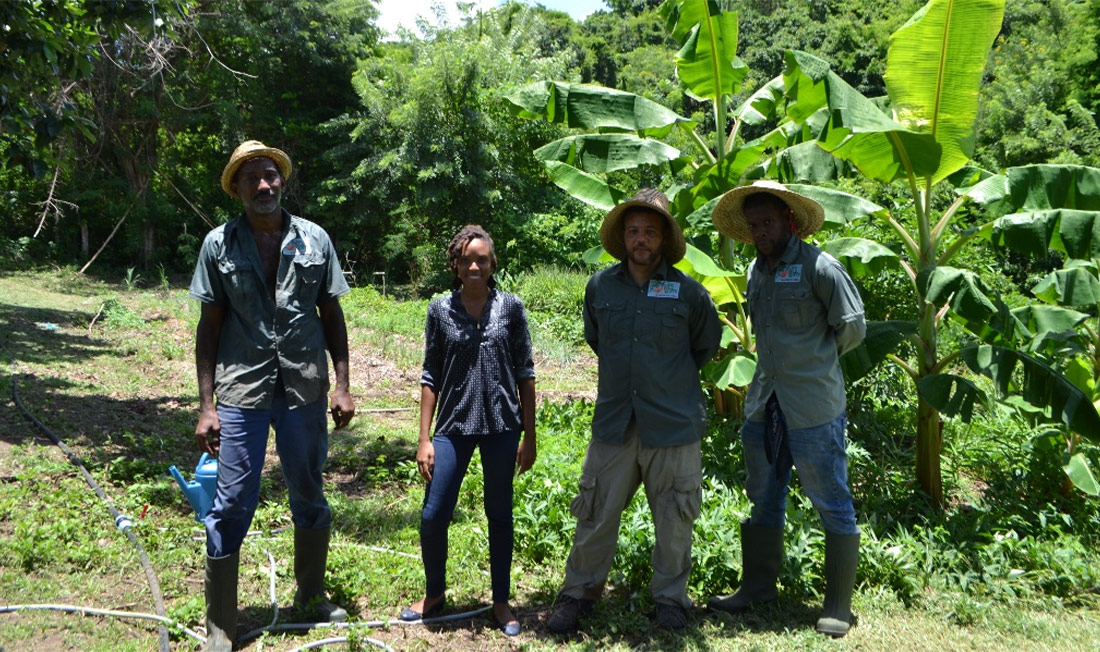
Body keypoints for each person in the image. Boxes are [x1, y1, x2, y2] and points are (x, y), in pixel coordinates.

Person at [190, 140, 355, 652]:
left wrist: (344, 384)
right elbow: (208, 328)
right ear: (237, 188)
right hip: (242, 388)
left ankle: (310, 595)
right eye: (252, 178)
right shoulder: (218, 245)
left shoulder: (315, 240)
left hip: (304, 386)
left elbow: (333, 316)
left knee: (308, 489)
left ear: (281, 181)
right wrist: (207, 405)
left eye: (271, 176)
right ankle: (221, 623)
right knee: (233, 500)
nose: (264, 185)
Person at [547, 188, 722, 633]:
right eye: (632, 231)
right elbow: (597, 339)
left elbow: (703, 347)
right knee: (595, 510)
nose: (640, 239)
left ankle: (670, 599)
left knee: (674, 518)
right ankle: (578, 593)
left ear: (664, 238)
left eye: (649, 231)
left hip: (673, 423)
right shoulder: (601, 287)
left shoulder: (690, 294)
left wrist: (664, 380)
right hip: (615, 422)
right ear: (622, 238)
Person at [708, 180, 866, 637]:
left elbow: (851, 328)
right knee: (763, 497)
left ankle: (838, 604)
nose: (759, 231)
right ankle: (758, 587)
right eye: (753, 224)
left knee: (831, 499)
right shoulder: (758, 272)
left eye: (767, 222)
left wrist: (814, 361)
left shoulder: (821, 267)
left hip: (813, 405)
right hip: (763, 403)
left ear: (788, 222)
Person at [400, 225, 537, 637]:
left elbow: (526, 374)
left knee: (499, 513)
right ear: (456, 266)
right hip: (453, 426)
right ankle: (435, 593)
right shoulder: (439, 310)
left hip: (502, 426)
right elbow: (430, 375)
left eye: (481, 259)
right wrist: (424, 438)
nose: (474, 265)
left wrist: (530, 436)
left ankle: (500, 600)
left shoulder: (511, 308)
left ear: (493, 264)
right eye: (466, 259)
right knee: (433, 512)